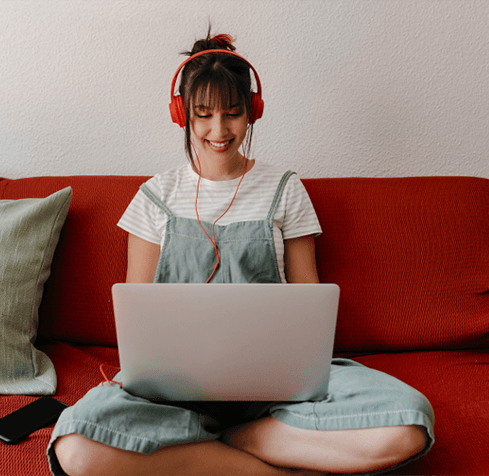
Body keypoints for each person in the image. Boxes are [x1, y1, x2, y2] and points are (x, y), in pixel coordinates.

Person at [47, 31, 435, 476]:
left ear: (253, 112)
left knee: (409, 426)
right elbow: (138, 318)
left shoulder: (285, 189)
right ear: (181, 115)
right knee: (76, 449)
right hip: (173, 393)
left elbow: (308, 304)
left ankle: (232, 440)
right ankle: (267, 464)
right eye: (204, 114)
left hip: (276, 389)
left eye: (233, 114)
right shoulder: (155, 196)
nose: (219, 130)